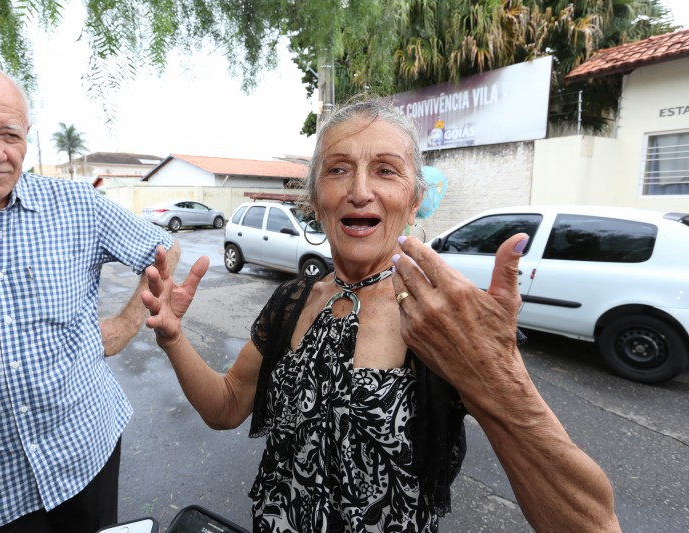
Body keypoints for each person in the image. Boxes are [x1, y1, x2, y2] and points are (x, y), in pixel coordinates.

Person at [141, 98, 622, 532]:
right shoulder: (290, 300)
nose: (360, 191)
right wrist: (173, 337)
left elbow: (589, 523)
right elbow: (225, 407)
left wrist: (496, 372)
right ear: (315, 201)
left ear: (414, 201)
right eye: (338, 170)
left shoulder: (441, 319)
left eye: (386, 171)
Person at [0, 61, 179, 533]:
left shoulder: (76, 205)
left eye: (11, 135)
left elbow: (162, 247)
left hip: (87, 450)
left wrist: (126, 327)